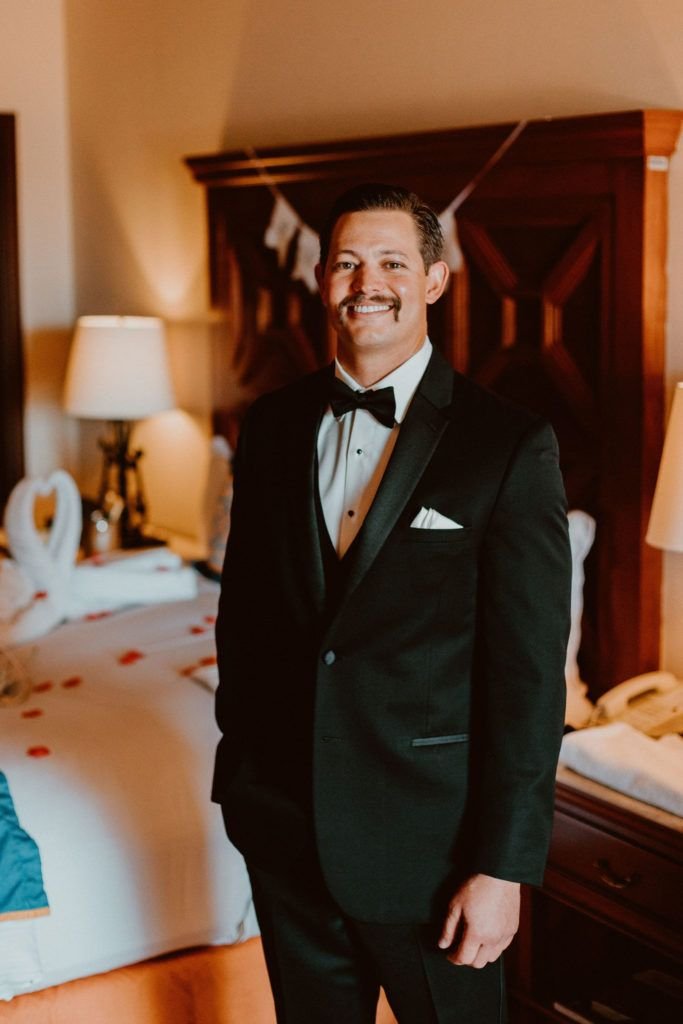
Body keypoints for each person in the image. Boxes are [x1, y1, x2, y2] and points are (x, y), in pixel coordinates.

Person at [213, 183, 571, 1024]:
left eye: (389, 262)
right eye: (344, 262)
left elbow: (527, 679)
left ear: (435, 282)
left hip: (432, 855)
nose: (364, 281)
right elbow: (245, 619)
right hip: (285, 834)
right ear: (321, 280)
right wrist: (245, 784)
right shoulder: (270, 424)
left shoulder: (509, 444)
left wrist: (503, 866)